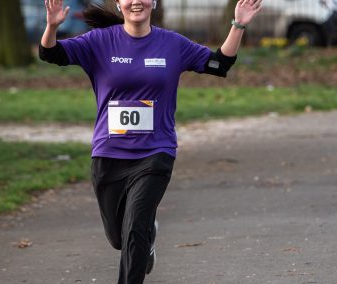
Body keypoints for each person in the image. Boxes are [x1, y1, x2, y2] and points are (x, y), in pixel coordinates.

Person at [39, 0, 262, 283]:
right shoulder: (99, 42)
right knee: (120, 238)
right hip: (109, 153)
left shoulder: (171, 44)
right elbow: (51, 54)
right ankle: (149, 236)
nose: (137, 2)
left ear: (153, 2)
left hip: (155, 152)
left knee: (135, 230)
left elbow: (218, 64)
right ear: (119, 4)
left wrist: (239, 24)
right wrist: (52, 27)